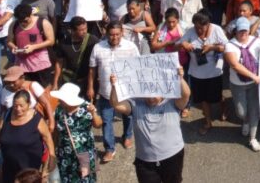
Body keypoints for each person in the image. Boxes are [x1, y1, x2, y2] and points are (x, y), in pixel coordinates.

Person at [109, 65, 191, 183]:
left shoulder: (172, 102)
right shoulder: (136, 104)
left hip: (172, 157)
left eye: (154, 95)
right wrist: (114, 86)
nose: (151, 99)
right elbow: (115, 104)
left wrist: (180, 78)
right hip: (145, 162)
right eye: (147, 95)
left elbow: (186, 94)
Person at [87, 19, 139, 163]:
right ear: (106, 33)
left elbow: (138, 67)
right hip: (105, 92)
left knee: (128, 116)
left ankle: (127, 136)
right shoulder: (98, 47)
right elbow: (92, 69)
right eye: (111, 35)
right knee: (106, 121)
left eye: (117, 34)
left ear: (122, 33)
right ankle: (110, 149)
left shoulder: (131, 47)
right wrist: (90, 87)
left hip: (126, 91)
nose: (114, 37)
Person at [0, 88, 54, 182]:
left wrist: (52, 156)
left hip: (29, 171)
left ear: (29, 104)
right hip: (9, 167)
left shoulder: (37, 119)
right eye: (15, 105)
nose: (18, 109)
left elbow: (48, 138)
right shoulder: (6, 115)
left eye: (21, 106)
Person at [179, 11, 228, 136]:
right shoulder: (191, 31)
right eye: (196, 27)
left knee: (217, 97)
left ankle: (223, 109)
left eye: (201, 27)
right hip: (197, 72)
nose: (198, 30)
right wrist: (185, 44)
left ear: (208, 24)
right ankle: (208, 122)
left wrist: (212, 47)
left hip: (214, 71)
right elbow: (180, 43)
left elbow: (226, 47)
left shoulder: (217, 29)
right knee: (203, 99)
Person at [225, 16, 260, 152]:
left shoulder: (256, 41)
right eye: (241, 31)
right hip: (238, 84)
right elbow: (235, 65)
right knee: (241, 112)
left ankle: (253, 138)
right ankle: (245, 121)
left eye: (246, 31)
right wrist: (253, 75)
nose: (243, 34)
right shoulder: (230, 45)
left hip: (254, 84)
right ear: (236, 31)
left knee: (254, 110)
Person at [50, 82, 101, 183]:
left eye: (62, 98)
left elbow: (98, 124)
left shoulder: (87, 107)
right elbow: (56, 132)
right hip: (65, 154)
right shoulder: (59, 110)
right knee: (67, 179)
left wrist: (93, 113)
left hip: (85, 152)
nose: (59, 100)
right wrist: (53, 152)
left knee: (86, 179)